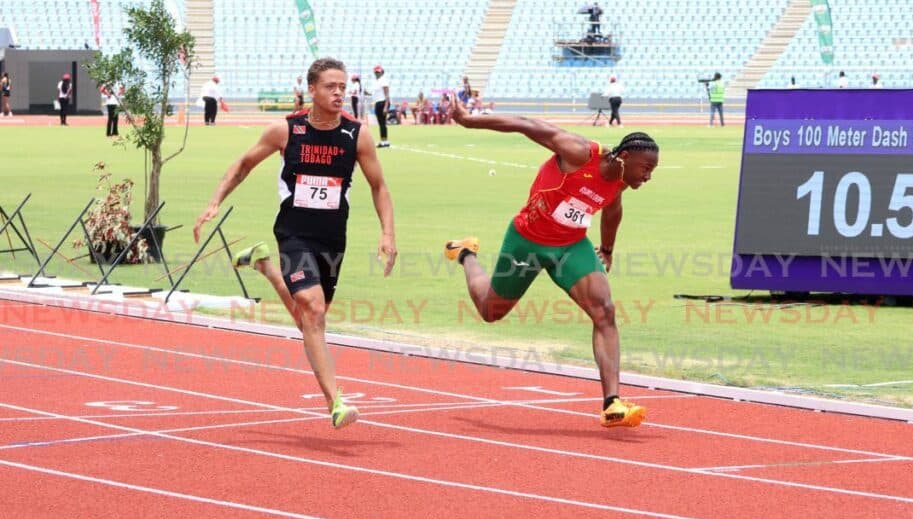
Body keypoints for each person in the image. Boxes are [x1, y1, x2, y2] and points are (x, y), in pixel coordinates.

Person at [193, 57, 397, 430]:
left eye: (343, 87)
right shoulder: (285, 131)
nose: (339, 93)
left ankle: (265, 267)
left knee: (310, 322)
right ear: (313, 89)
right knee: (314, 309)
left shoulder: (357, 134)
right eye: (331, 87)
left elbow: (378, 186)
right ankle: (335, 401)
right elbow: (243, 165)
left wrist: (387, 234)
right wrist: (213, 202)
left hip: (333, 236)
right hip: (293, 233)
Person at [444, 97, 658, 428]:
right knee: (490, 311)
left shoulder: (619, 181)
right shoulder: (579, 152)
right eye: (646, 169)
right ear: (625, 157)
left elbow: (613, 208)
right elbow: (526, 124)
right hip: (527, 241)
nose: (648, 177)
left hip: (571, 246)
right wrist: (471, 120)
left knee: (604, 310)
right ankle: (466, 253)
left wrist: (608, 248)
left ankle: (612, 402)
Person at [371, 65, 391, 147]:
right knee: (381, 123)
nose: (377, 73)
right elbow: (375, 94)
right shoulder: (377, 81)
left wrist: (386, 106)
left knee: (382, 123)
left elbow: (387, 94)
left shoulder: (383, 80)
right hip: (378, 103)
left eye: (378, 72)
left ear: (382, 72)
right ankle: (383, 140)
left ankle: (384, 141)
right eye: (376, 72)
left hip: (383, 103)